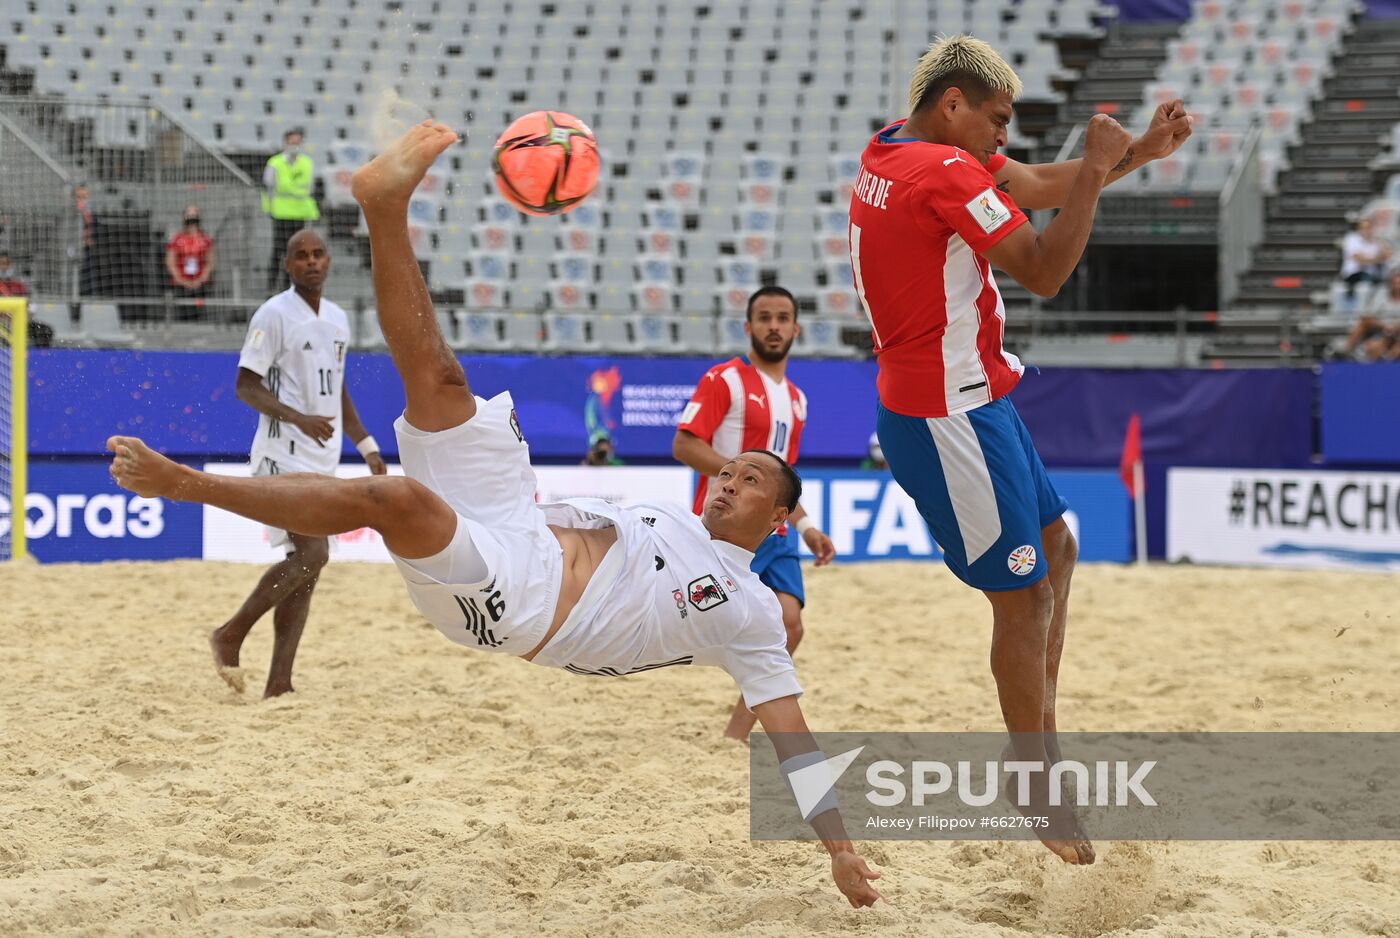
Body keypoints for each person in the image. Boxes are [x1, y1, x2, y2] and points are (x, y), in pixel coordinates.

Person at [107, 120, 883, 908]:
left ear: (779, 519)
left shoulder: (749, 609)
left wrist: (841, 852)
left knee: (395, 499)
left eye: (749, 481)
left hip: (523, 603)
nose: (726, 480)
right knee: (444, 384)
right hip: (523, 515)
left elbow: (795, 739)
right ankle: (383, 206)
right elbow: (678, 470)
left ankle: (189, 483)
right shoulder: (682, 518)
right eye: (729, 469)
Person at [846, 35, 1192, 865]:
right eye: (997, 120)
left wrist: (1133, 154)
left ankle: (1039, 736)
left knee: (1059, 545)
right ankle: (1032, 777)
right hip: (944, 412)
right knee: (1023, 598)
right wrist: (1102, 171)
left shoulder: (897, 146)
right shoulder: (943, 172)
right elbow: (1043, 269)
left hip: (973, 398)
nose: (1005, 137)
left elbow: (1031, 185)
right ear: (955, 104)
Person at [213, 227, 386, 698]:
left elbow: (338, 389)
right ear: (288, 266)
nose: (311, 261)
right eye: (301, 256)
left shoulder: (337, 318)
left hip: (321, 459)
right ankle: (231, 633)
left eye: (318, 254)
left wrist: (366, 444)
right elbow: (245, 386)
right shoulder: (273, 314)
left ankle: (279, 682)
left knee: (305, 571)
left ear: (329, 262)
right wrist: (297, 418)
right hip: (280, 456)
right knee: (313, 555)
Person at [673, 285, 837, 741]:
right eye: (764, 318)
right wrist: (739, 478)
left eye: (783, 318)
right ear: (748, 327)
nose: (773, 326)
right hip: (724, 530)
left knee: (790, 624)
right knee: (689, 626)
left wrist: (805, 525)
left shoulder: (799, 400)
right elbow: (684, 444)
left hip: (776, 532)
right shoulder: (724, 380)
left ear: (796, 329)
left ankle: (736, 734)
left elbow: (782, 481)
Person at [263, 128, 320, 292]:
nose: (295, 146)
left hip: (300, 213)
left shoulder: (307, 163)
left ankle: (292, 286)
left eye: (298, 142)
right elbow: (268, 187)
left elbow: (308, 188)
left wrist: (288, 189)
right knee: (279, 250)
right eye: (292, 142)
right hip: (281, 214)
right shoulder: (275, 163)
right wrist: (270, 208)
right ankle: (271, 287)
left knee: (297, 251)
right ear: (285, 143)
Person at [164, 205, 216, 308]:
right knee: (182, 310)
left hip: (201, 285)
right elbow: (170, 262)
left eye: (194, 216)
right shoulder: (177, 239)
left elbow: (210, 262)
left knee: (199, 310)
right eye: (189, 215)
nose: (192, 219)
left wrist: (200, 280)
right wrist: (182, 280)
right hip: (180, 285)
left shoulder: (205, 240)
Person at [1338, 216, 1392, 305]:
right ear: (1359, 228)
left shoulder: (1377, 241)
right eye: (1363, 227)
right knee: (1366, 281)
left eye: (1368, 227)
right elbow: (1360, 259)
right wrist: (1378, 258)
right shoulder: (1351, 239)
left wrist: (1378, 252)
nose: (1366, 230)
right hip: (1353, 275)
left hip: (1372, 276)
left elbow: (1388, 255)